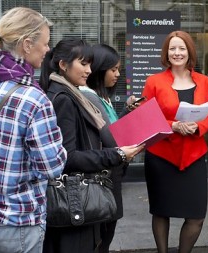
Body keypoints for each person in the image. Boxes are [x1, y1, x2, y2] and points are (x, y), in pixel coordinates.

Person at [0, 7, 67, 252]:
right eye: (46, 43)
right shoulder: (34, 99)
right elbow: (51, 167)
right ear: (27, 44)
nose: (48, 50)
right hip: (18, 221)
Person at [40, 38, 143, 253]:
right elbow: (68, 158)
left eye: (90, 64)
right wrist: (116, 155)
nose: (89, 70)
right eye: (83, 64)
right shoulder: (64, 98)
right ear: (63, 65)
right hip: (74, 198)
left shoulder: (70, 92)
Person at [141, 30, 208, 253]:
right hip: (161, 156)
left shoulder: (205, 82)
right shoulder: (153, 81)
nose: (177, 53)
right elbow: (145, 117)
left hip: (194, 154)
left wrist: (198, 127)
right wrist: (173, 125)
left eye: (181, 48)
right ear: (166, 52)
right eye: (172, 48)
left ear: (189, 51)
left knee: (196, 216)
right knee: (161, 211)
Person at [80, 44, 143, 252]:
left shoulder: (103, 96)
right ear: (99, 69)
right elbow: (111, 137)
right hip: (103, 176)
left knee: (108, 232)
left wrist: (126, 111)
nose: (117, 74)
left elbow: (113, 129)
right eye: (113, 69)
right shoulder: (89, 96)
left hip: (112, 172)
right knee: (103, 235)